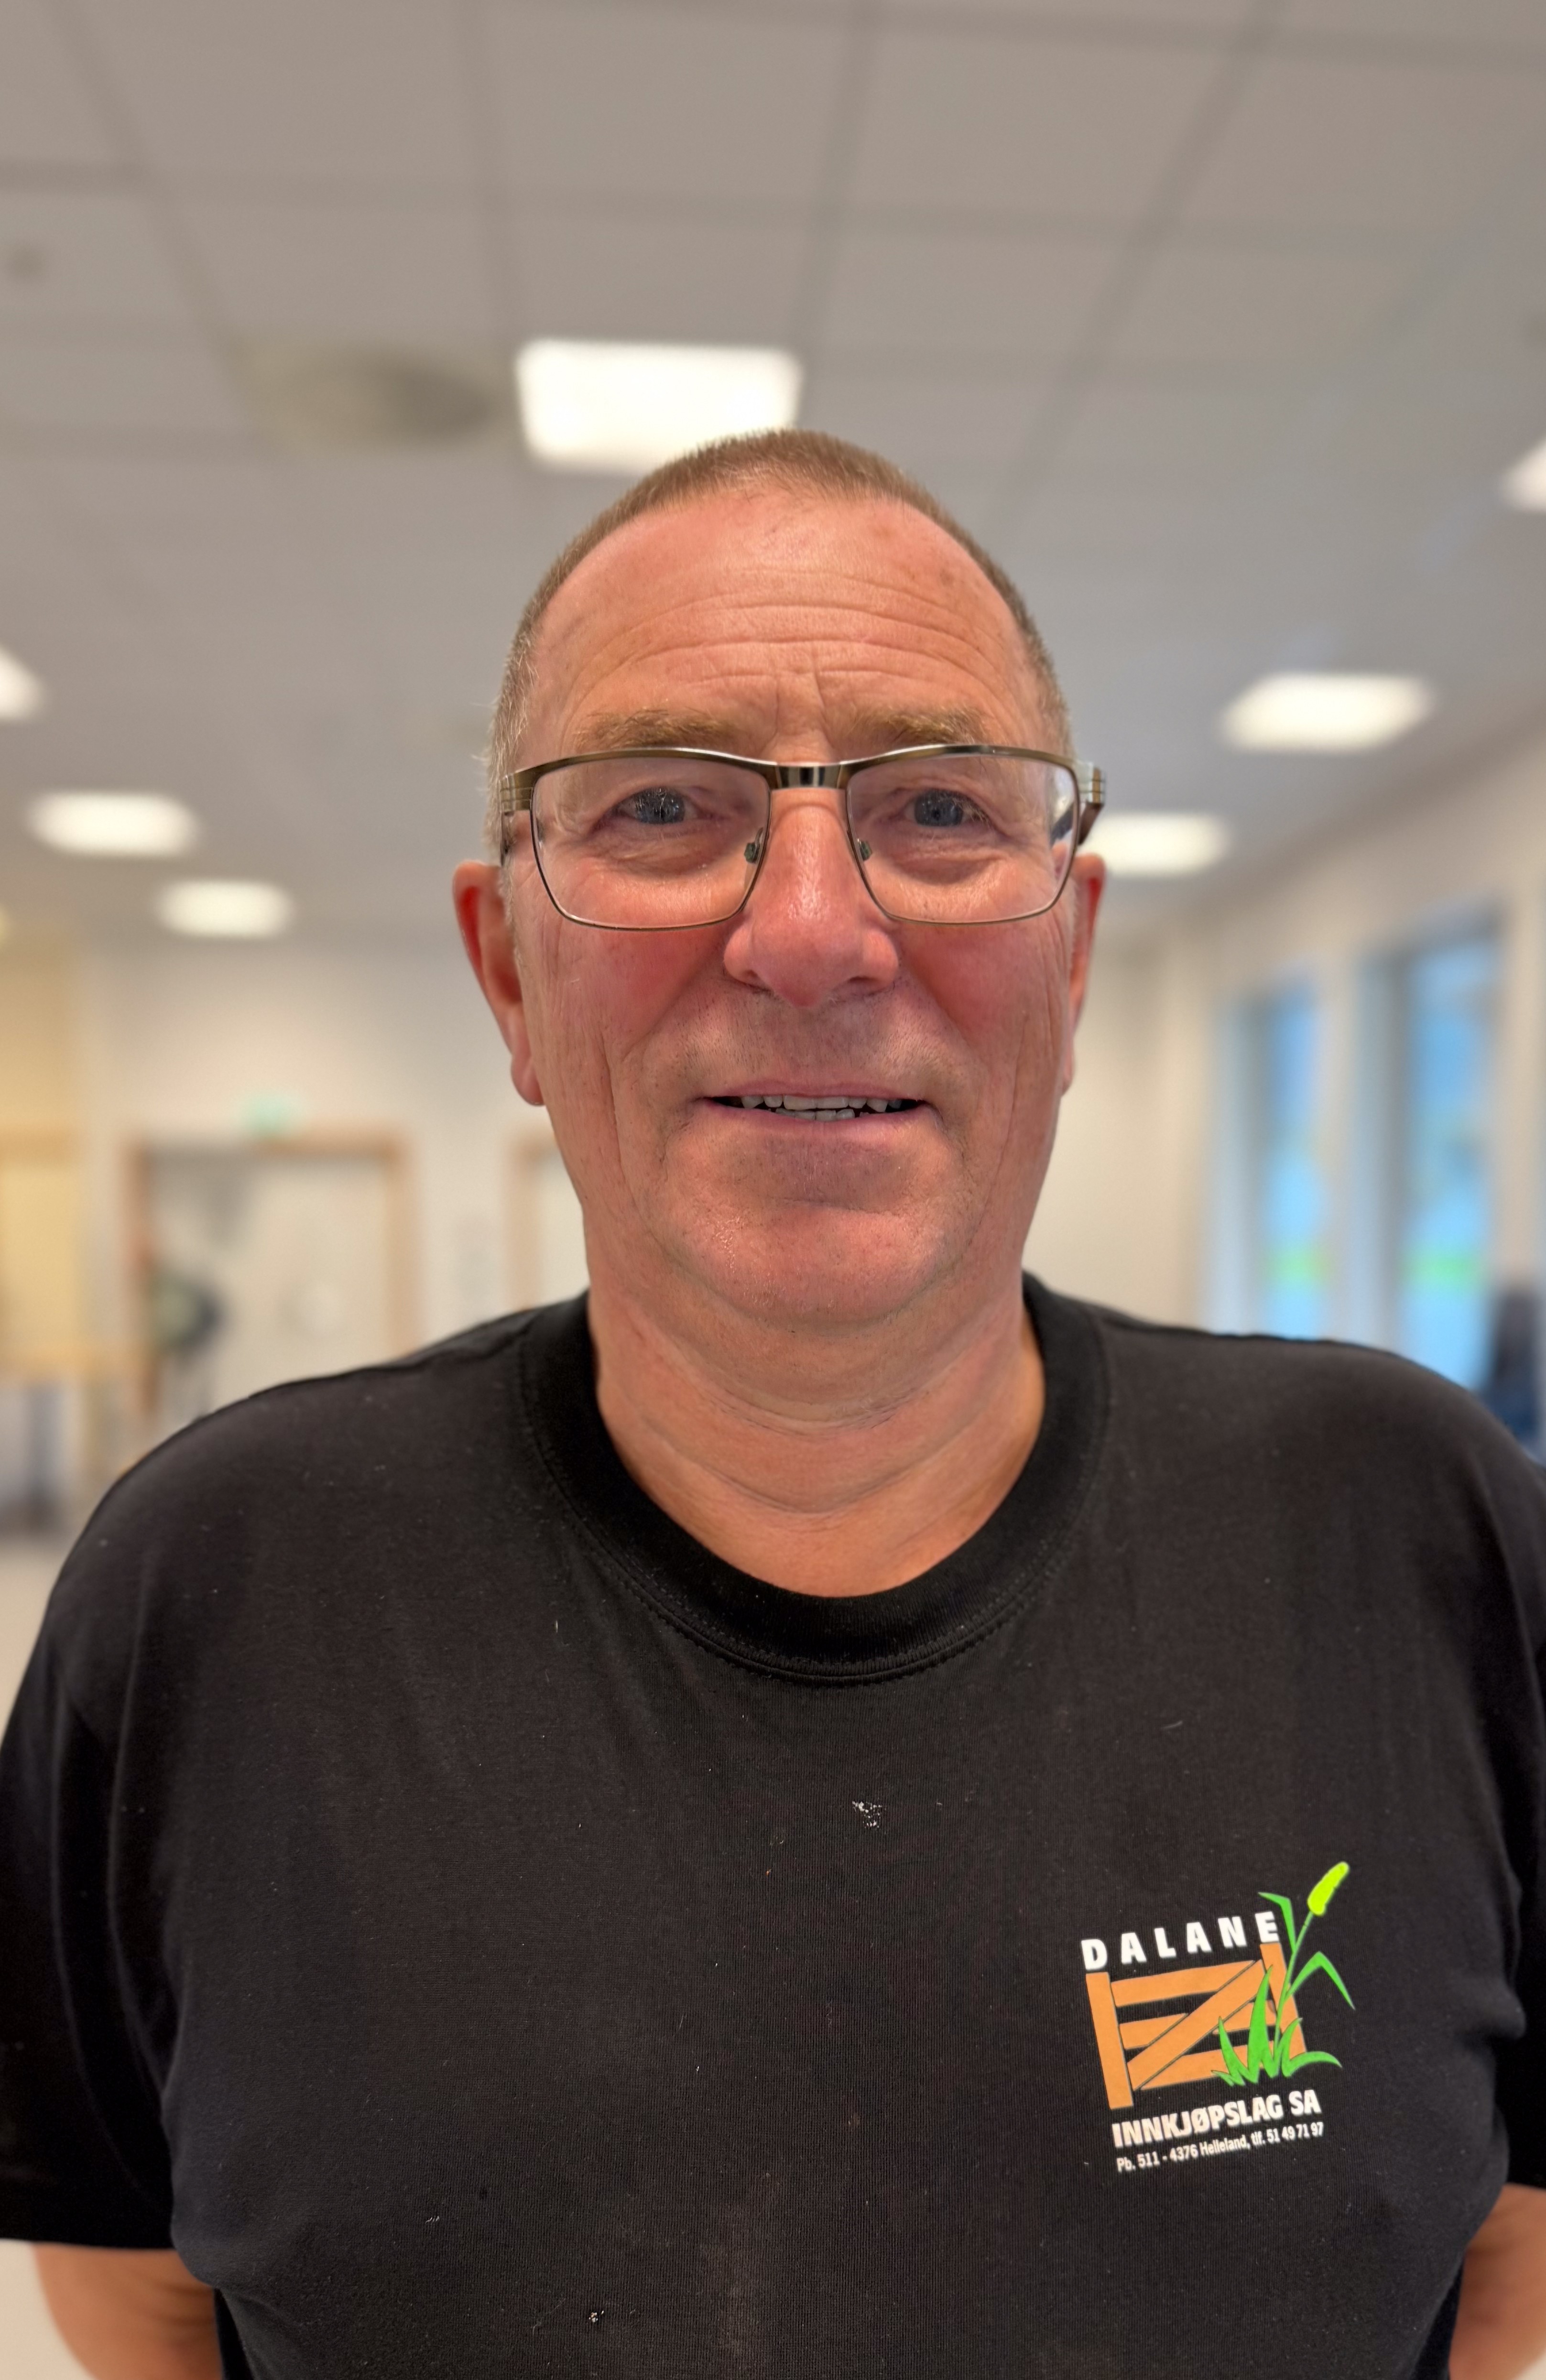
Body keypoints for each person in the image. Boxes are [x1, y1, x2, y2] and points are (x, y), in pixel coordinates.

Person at [3, 430, 1546, 2380]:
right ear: (507, 974)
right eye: (661, 805)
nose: (813, 931)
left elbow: (1495, 2248)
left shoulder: (1410, 1531)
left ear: (1069, 956)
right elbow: (132, 2281)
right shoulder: (220, 1588)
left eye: (937, 808)